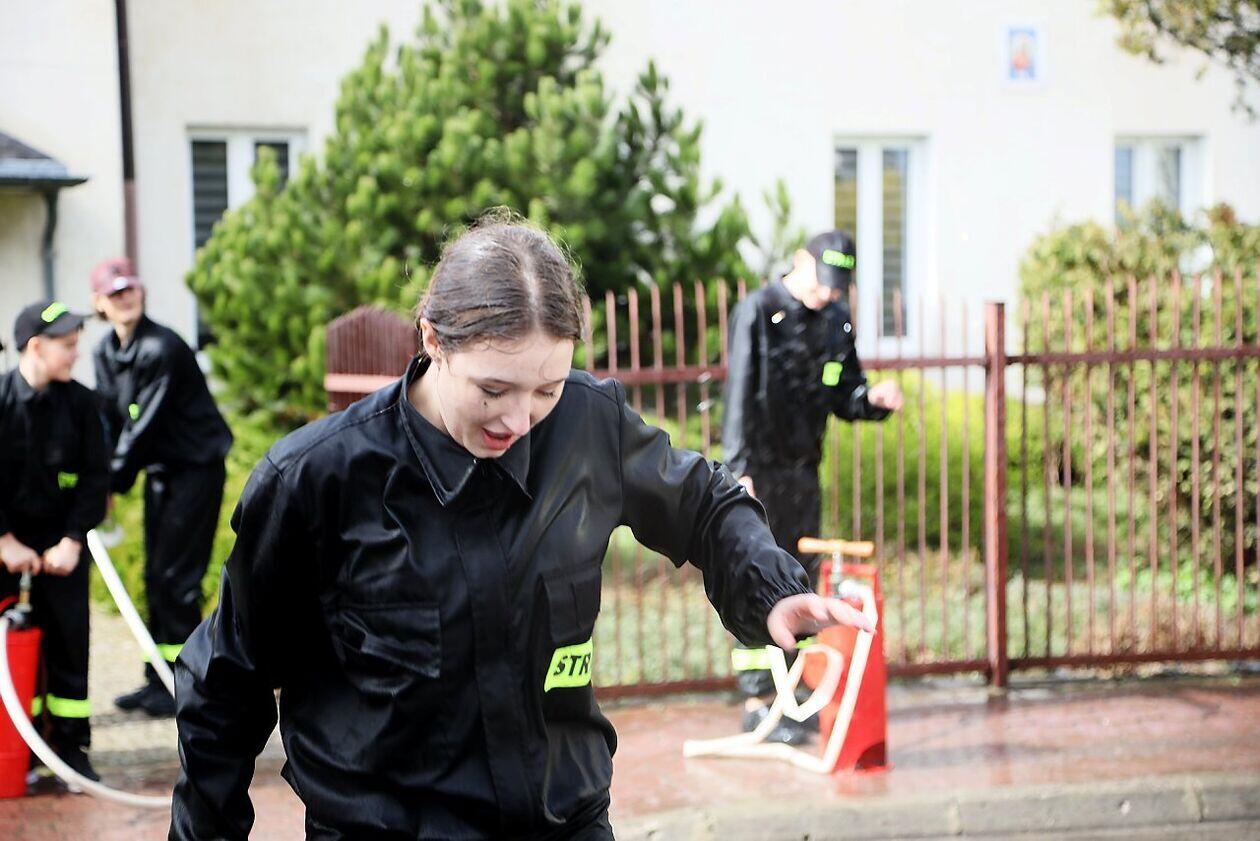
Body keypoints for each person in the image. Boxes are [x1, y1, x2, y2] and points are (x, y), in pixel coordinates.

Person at [169, 216, 875, 839]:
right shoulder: (317, 479)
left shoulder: (588, 426)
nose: (518, 419)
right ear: (433, 340)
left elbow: (706, 502)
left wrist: (770, 587)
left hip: (564, 823)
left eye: (546, 389)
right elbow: (224, 684)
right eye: (493, 389)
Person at [722, 229, 903, 744]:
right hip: (758, 472)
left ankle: (792, 691)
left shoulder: (834, 320)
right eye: (822, 281)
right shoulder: (759, 311)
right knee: (756, 579)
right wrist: (738, 470)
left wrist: (874, 401)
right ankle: (759, 700)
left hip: (804, 473)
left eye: (837, 285)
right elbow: (738, 395)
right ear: (800, 261)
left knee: (797, 582)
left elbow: (846, 394)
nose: (828, 292)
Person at [90, 258, 233, 717]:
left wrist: (110, 483)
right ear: (99, 303)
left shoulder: (161, 348)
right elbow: (112, 421)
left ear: (141, 292)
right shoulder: (105, 352)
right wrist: (100, 476)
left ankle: (184, 684)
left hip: (195, 469)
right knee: (156, 576)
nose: (125, 298)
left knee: (177, 579)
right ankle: (159, 676)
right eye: (115, 293)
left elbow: (142, 428)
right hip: (161, 471)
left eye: (130, 289)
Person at [0, 300, 108, 785]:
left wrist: (72, 540)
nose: (76, 354)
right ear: (36, 347)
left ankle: (69, 750)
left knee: (68, 643)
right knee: (8, 650)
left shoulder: (82, 404)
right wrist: (4, 540)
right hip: (5, 544)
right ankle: (15, 748)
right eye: (67, 345)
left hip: (60, 544)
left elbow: (95, 478)